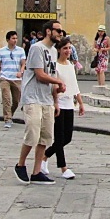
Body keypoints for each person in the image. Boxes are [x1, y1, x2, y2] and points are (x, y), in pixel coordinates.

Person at [14, 20, 67, 186]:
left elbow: (50, 77)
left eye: (61, 31)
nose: (61, 34)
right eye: (58, 30)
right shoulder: (37, 48)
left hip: (46, 100)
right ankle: (20, 165)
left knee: (45, 137)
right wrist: (58, 81)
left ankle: (37, 172)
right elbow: (39, 74)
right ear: (49, 32)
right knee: (32, 133)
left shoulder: (52, 51)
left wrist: (55, 100)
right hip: (32, 98)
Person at [42, 37, 84, 179]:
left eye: (69, 48)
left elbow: (74, 85)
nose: (68, 51)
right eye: (65, 48)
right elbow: (52, 86)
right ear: (59, 50)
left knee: (67, 137)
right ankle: (63, 168)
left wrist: (80, 102)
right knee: (59, 137)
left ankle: (45, 156)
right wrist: (56, 100)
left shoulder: (71, 65)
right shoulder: (55, 65)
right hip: (58, 103)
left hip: (69, 104)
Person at [0, 30, 26, 129]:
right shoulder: (1, 51)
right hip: (5, 78)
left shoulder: (20, 50)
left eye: (16, 38)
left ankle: (10, 114)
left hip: (16, 78)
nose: (15, 40)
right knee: (6, 99)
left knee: (16, 100)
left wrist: (21, 72)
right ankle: (7, 119)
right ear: (8, 40)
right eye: (13, 38)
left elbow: (23, 63)